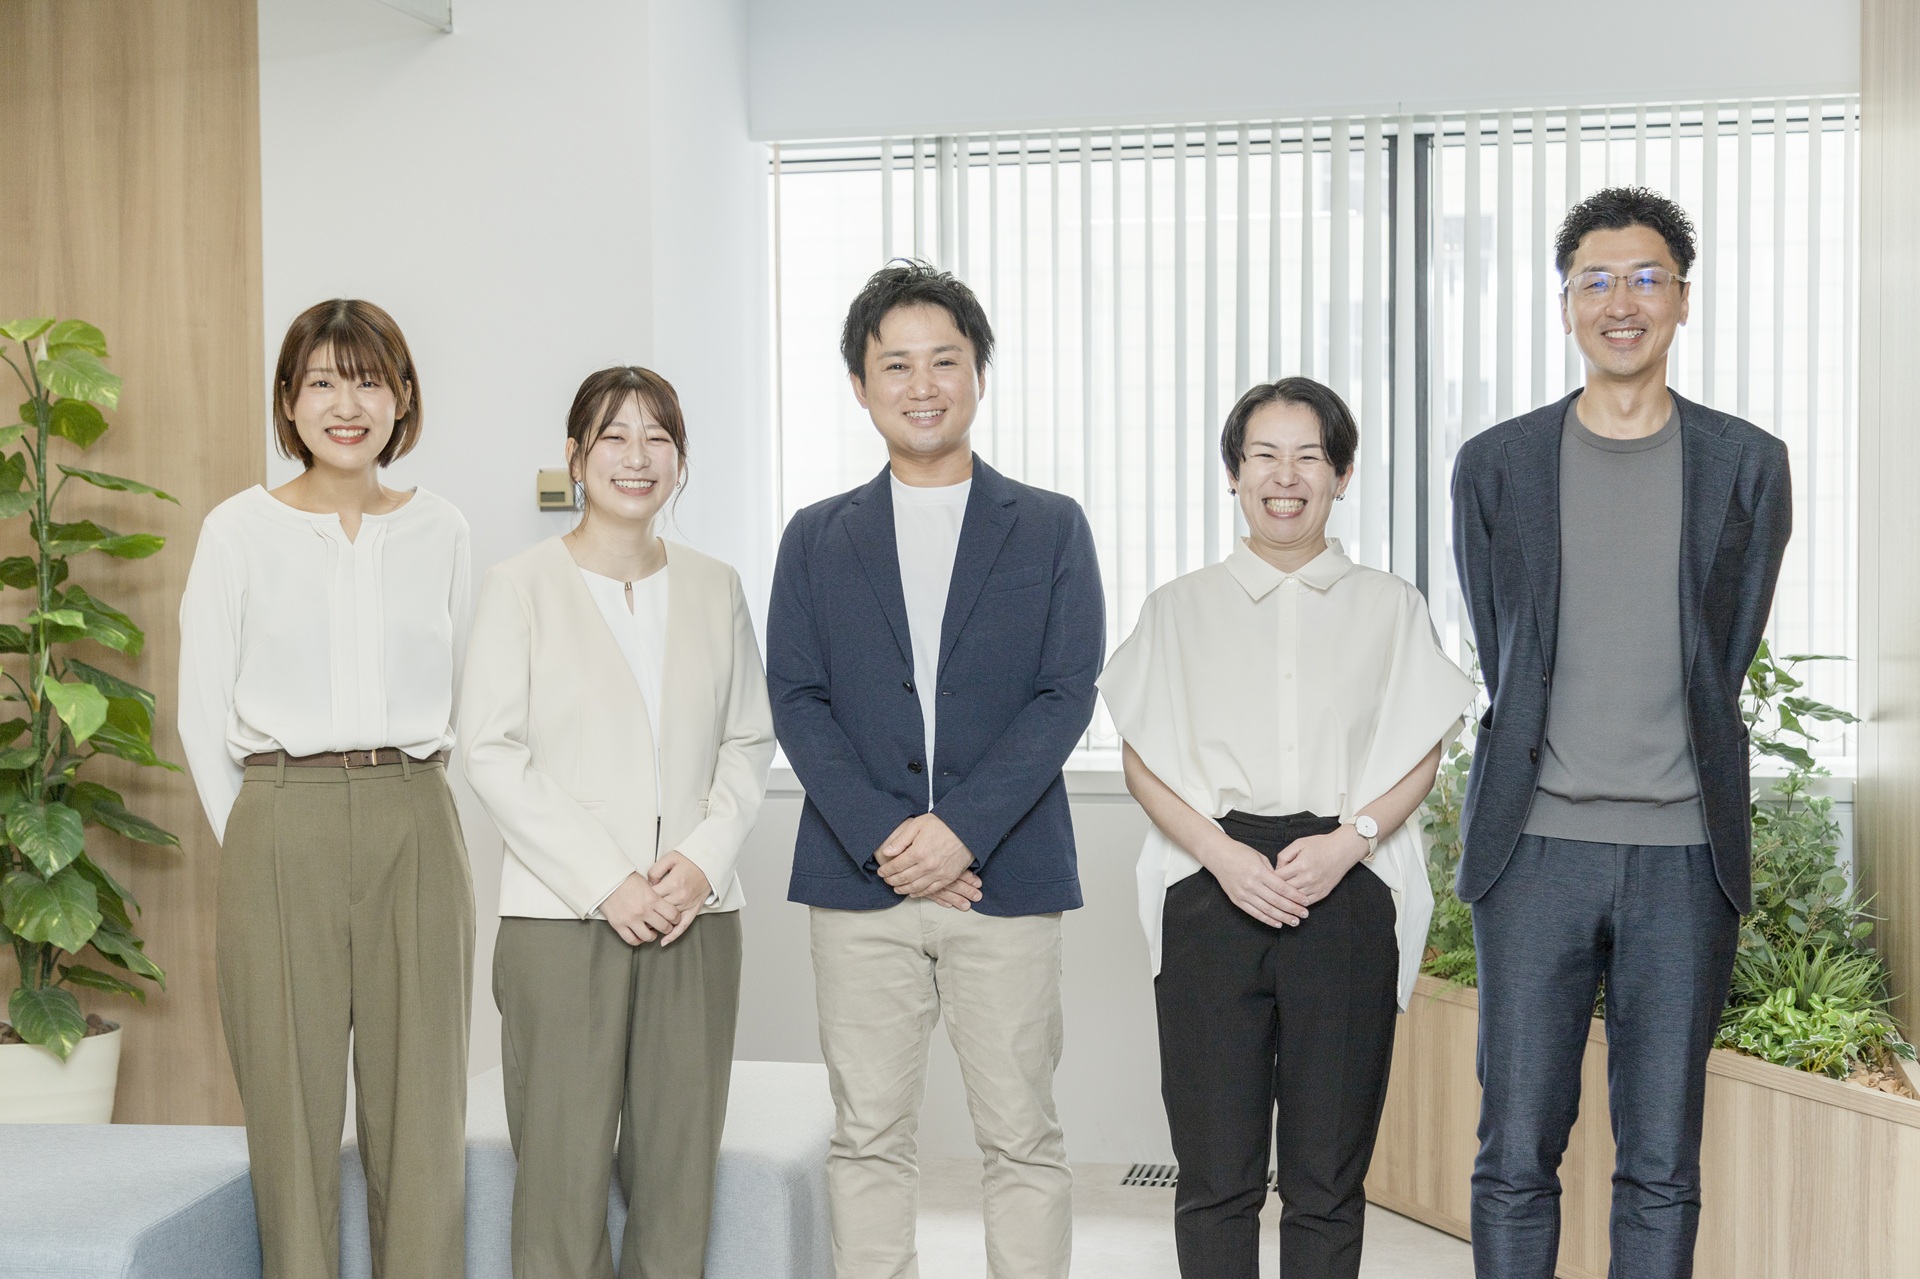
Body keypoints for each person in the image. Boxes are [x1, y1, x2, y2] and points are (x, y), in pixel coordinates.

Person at [1452, 187, 1792, 1279]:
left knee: (1660, 1160)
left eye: (1647, 278)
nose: (1621, 301)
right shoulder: (1496, 463)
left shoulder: (1748, 462)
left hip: (1686, 856)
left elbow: (1725, 648)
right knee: (1515, 1152)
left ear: (1683, 300)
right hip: (1533, 853)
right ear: (1565, 306)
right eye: (1595, 280)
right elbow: (1504, 643)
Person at [766, 261, 1104, 1279]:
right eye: (897, 364)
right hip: (857, 884)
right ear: (861, 385)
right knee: (868, 1135)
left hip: (1006, 878)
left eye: (944, 361)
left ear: (979, 375)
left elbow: (1065, 692)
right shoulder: (815, 536)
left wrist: (959, 831)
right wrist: (889, 837)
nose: (923, 385)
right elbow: (797, 699)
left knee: (1022, 1136)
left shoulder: (1050, 525)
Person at [1100, 377, 1474, 1279]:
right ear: (1233, 472)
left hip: (1345, 884)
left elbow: (1420, 746)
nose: (1286, 476)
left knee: (1326, 1179)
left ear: (1342, 474)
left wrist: (1354, 838)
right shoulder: (1179, 607)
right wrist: (1219, 854)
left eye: (1309, 456)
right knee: (1214, 1176)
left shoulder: (1391, 605)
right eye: (1264, 455)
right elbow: (1142, 757)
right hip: (1211, 883)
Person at [178, 299, 473, 1279]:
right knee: (290, 1116)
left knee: (424, 1113)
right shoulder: (237, 530)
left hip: (414, 810)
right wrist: (258, 839)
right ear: (288, 401)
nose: (347, 405)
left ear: (403, 397)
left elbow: (462, 689)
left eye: (369, 380)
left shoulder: (442, 529)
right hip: (278, 818)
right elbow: (200, 713)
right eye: (322, 382)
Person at [459, 366, 774, 1279]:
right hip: (562, 920)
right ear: (575, 456)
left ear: (680, 459)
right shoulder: (519, 585)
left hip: (694, 916)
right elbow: (491, 751)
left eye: (658, 437)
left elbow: (748, 740)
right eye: (613, 436)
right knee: (559, 1182)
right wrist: (607, 880)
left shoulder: (716, 586)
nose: (638, 457)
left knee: (678, 1180)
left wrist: (701, 861)